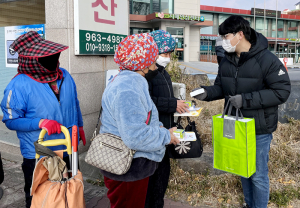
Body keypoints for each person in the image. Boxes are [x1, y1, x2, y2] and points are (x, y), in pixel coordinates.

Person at [193, 15, 291, 208]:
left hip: (259, 128)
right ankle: (249, 204)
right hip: (236, 125)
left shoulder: (267, 60)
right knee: (242, 169)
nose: (223, 42)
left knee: (258, 175)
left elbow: (282, 91)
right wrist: (206, 92)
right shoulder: (228, 60)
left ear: (240, 34)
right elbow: (222, 87)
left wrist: (245, 100)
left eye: (226, 36)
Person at [0, 31, 86, 208]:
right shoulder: (17, 85)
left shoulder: (65, 75)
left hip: (68, 147)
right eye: (47, 57)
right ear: (32, 60)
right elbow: (10, 120)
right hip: (39, 153)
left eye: (54, 55)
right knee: (38, 194)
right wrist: (40, 123)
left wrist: (80, 126)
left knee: (68, 187)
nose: (55, 60)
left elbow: (74, 103)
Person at [100, 33, 180, 208]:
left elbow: (147, 117)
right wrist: (166, 136)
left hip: (131, 165)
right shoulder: (128, 88)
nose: (154, 67)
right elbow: (135, 135)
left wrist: (163, 130)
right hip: (128, 167)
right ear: (141, 64)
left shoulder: (133, 81)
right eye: (151, 62)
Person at [144, 30, 189, 208]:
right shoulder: (146, 73)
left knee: (162, 180)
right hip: (154, 134)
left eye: (170, 53)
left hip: (165, 132)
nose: (168, 57)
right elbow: (146, 102)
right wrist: (172, 105)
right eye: (164, 53)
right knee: (153, 182)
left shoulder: (162, 71)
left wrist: (178, 105)